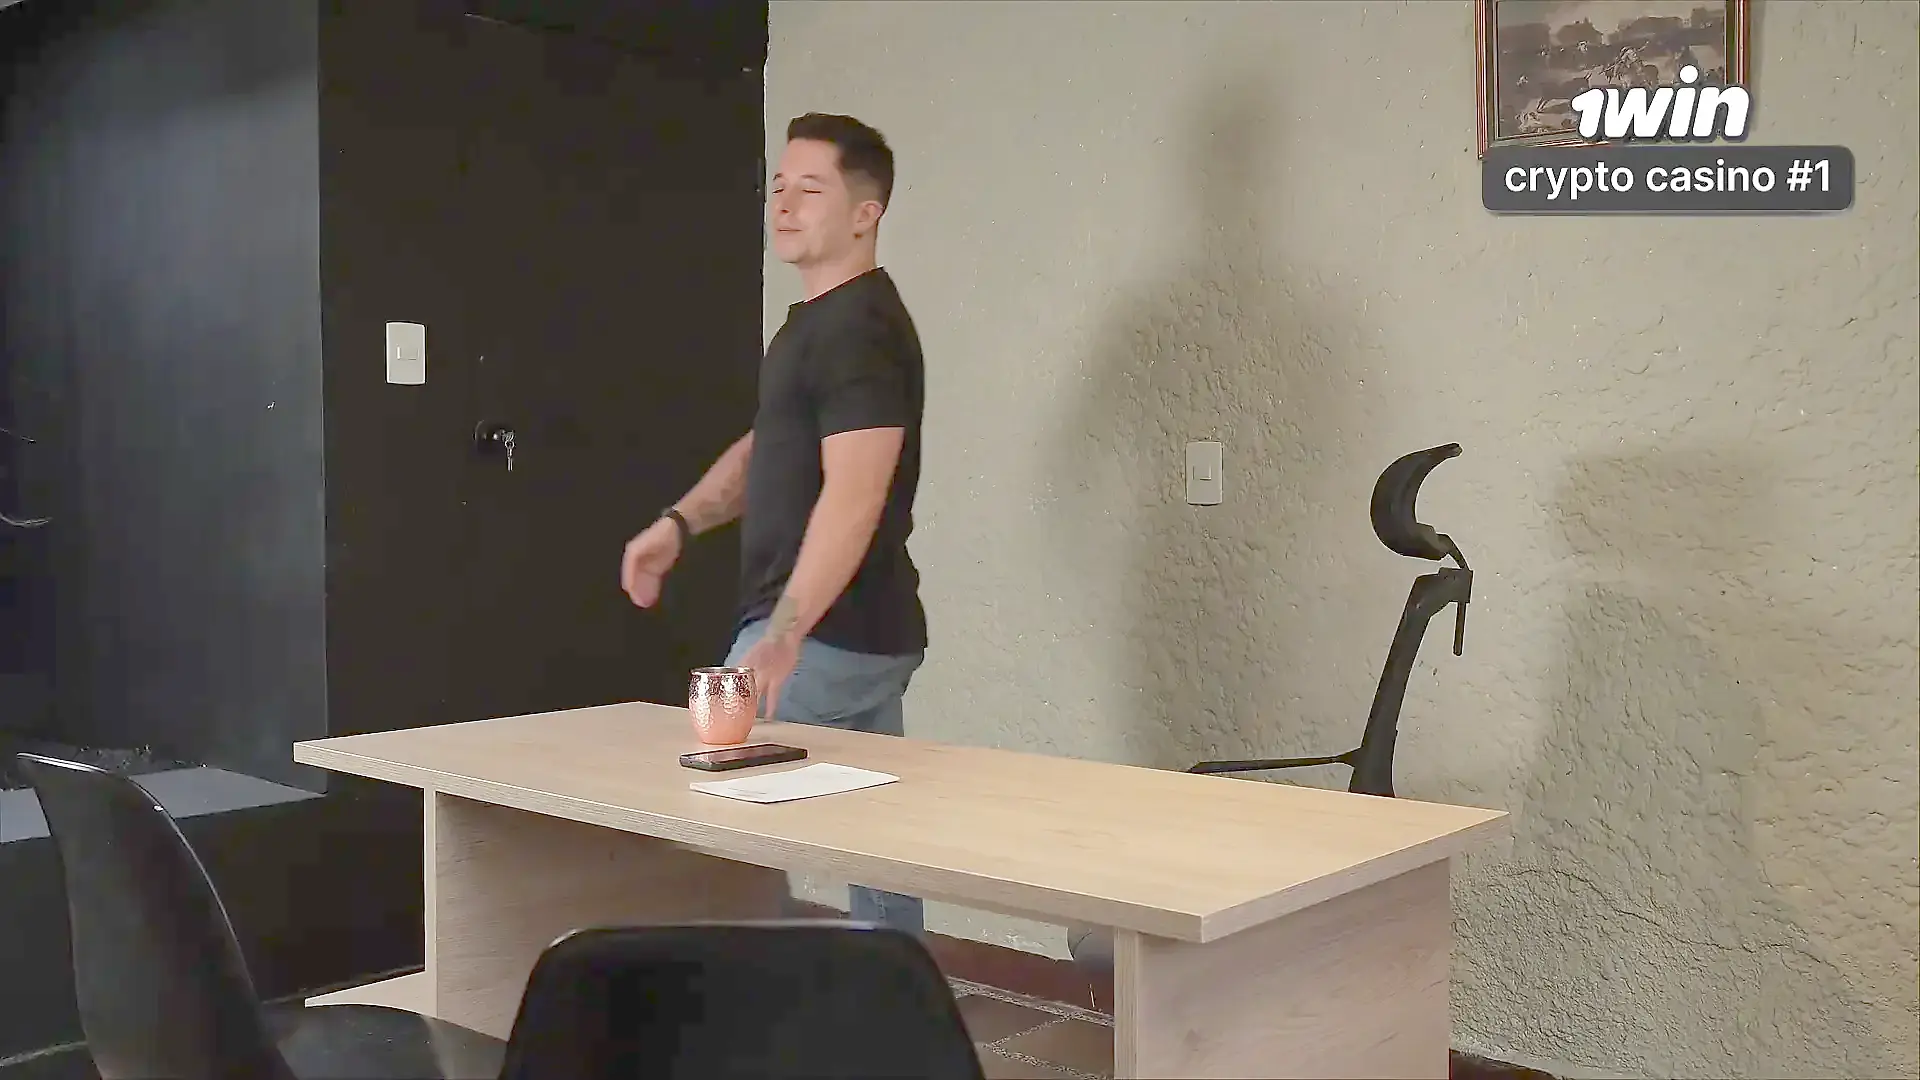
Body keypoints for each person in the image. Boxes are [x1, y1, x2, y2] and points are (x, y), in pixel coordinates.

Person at [618, 113, 928, 936]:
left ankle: (744, 1000)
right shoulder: (813, 325)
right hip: (858, 630)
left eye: (810, 190)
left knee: (710, 820)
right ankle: (895, 991)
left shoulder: (860, 331)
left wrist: (785, 636)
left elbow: (855, 495)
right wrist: (680, 524)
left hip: (823, 632)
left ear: (865, 212)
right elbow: (768, 452)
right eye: (779, 188)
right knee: (876, 843)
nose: (784, 206)